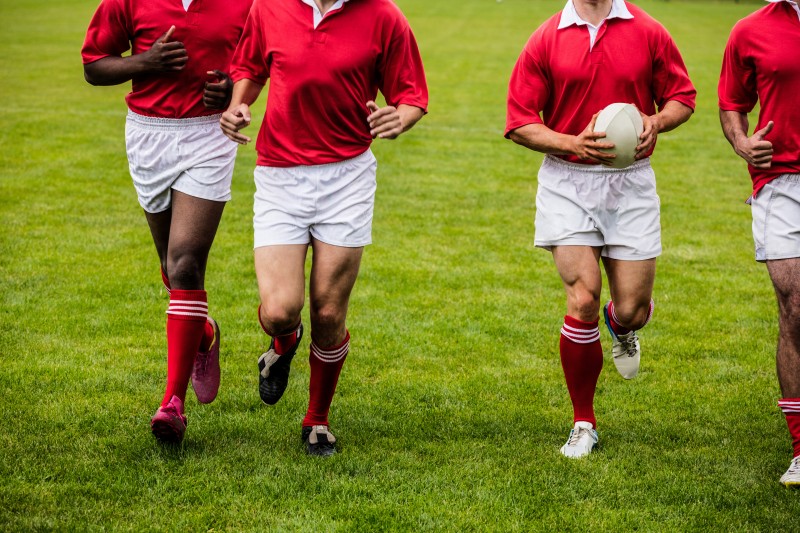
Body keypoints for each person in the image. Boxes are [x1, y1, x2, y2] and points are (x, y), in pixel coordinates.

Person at [219, 0, 428, 456]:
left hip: (347, 177)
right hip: (280, 174)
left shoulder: (384, 15)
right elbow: (249, 69)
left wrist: (401, 118)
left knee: (330, 314)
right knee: (279, 309)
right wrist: (238, 105)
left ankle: (316, 419)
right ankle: (283, 341)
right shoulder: (269, 8)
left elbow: (412, 95)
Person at [505, 0, 695, 458]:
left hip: (631, 184)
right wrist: (573, 143)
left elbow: (682, 98)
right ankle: (583, 422)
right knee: (583, 296)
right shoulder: (546, 37)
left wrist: (656, 121)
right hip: (567, 180)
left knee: (631, 307)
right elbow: (519, 122)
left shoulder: (648, 30)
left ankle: (622, 325)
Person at [81, 0, 253, 443]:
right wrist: (146, 62)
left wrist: (231, 90)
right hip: (147, 135)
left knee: (185, 263)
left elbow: (258, 64)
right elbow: (93, 66)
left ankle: (172, 404)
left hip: (208, 135)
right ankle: (203, 331)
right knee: (170, 266)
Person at [718, 0, 800, 487]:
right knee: (795, 306)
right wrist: (742, 142)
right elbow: (732, 103)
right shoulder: (750, 29)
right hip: (781, 182)